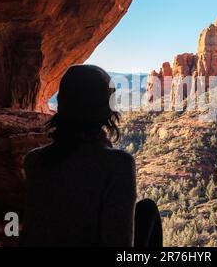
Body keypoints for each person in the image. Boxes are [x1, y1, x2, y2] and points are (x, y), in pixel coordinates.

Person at [20, 65, 162, 247]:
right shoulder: (118, 165)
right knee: (147, 211)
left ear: (62, 104)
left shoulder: (34, 160)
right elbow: (118, 242)